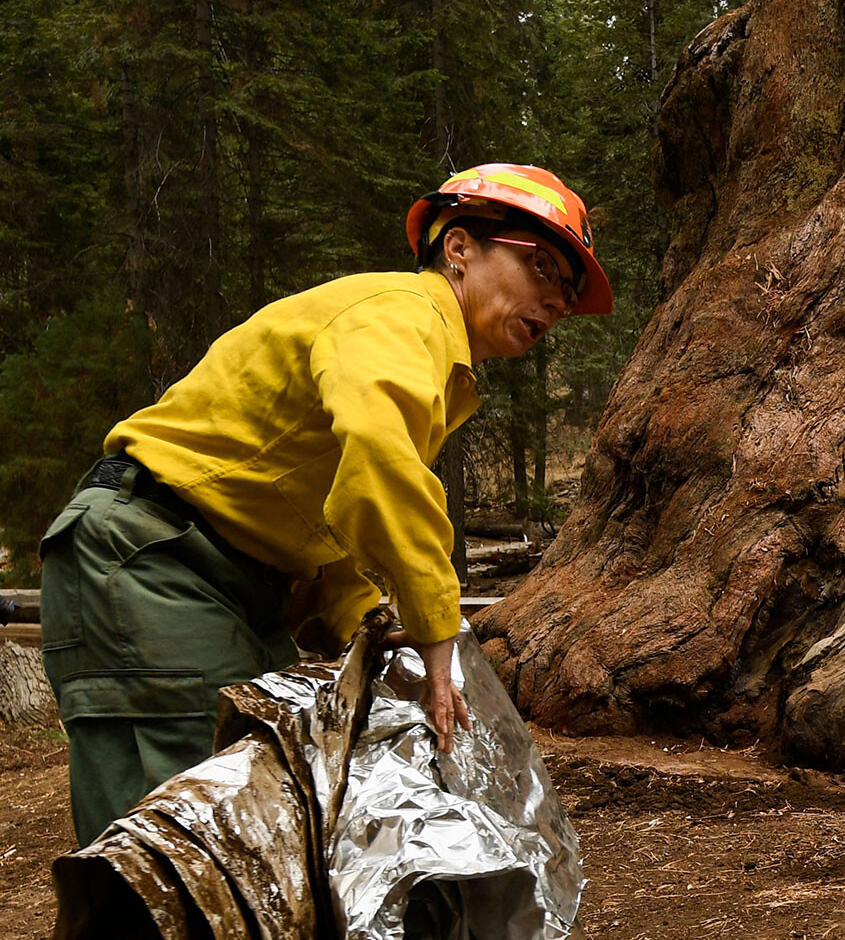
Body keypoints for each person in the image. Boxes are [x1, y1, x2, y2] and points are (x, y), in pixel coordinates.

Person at [38, 164, 611, 847]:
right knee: (181, 846)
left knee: (261, 828)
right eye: (542, 267)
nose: (555, 303)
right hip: (150, 559)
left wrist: (362, 617)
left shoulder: (429, 360)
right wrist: (436, 630)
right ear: (458, 248)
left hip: (221, 578)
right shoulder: (405, 314)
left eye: (568, 293)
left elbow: (340, 503)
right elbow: (377, 462)